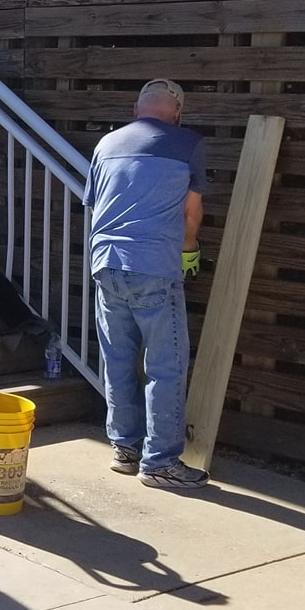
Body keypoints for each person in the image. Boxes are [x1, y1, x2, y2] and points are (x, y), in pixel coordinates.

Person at [85, 78, 209, 490]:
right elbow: (191, 214)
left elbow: (95, 206)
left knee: (117, 359)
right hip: (154, 266)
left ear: (137, 108)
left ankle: (125, 449)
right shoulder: (186, 143)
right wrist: (188, 251)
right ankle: (160, 464)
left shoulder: (105, 146)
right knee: (166, 367)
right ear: (176, 111)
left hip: (105, 265)